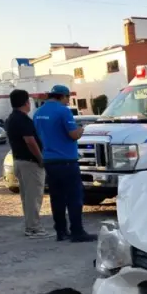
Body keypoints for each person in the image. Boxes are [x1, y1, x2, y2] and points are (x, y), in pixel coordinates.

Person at [34, 85, 97, 243]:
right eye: (68, 97)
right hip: (66, 160)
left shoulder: (38, 113)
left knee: (57, 198)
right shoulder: (63, 111)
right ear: (62, 96)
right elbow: (73, 134)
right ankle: (77, 232)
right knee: (74, 197)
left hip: (49, 160)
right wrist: (81, 129)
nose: (68, 101)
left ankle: (61, 231)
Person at [6, 89, 50, 239]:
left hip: (19, 161)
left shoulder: (11, 118)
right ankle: (34, 228)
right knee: (33, 197)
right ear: (26, 102)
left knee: (27, 197)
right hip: (30, 163)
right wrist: (40, 158)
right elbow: (30, 141)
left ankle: (30, 225)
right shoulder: (23, 119)